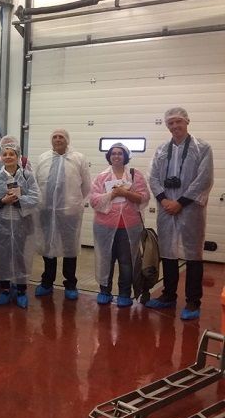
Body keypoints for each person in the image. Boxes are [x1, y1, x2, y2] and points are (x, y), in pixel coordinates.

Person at [146, 107, 213, 320]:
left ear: (187, 122)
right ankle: (168, 295)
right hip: (166, 207)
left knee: (193, 254)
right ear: (167, 126)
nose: (175, 126)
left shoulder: (202, 148)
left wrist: (181, 202)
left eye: (178, 121)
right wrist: (164, 200)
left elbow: (204, 179)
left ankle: (193, 301)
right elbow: (153, 177)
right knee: (168, 252)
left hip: (190, 208)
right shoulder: (161, 150)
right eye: (171, 123)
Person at [89, 143, 150, 307]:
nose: (116, 156)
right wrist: (112, 194)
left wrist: (126, 193)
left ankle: (124, 293)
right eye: (113, 153)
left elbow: (144, 197)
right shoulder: (101, 177)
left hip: (129, 227)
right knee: (105, 260)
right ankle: (104, 291)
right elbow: (93, 200)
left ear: (125, 156)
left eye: (120, 153)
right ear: (109, 156)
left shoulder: (135, 175)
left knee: (126, 262)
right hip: (105, 226)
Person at [34, 129, 91, 300]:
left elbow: (86, 185)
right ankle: (47, 282)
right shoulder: (43, 158)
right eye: (55, 137)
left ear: (67, 140)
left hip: (69, 213)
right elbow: (36, 182)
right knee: (48, 247)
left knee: (69, 248)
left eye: (61, 137)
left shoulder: (78, 158)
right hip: (46, 210)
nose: (58, 139)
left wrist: (72, 202)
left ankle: (70, 283)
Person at [0, 143, 40, 309]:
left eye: (11, 154)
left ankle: (21, 290)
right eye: (5, 154)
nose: (8, 157)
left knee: (20, 256)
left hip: (21, 223)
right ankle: (5, 288)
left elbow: (36, 196)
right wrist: (2, 201)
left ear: (18, 157)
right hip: (1, 223)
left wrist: (17, 201)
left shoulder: (27, 176)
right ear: (1, 157)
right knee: (3, 256)